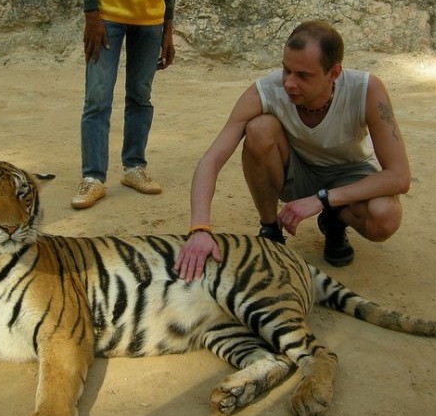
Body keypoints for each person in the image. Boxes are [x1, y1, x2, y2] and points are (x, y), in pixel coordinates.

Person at [174, 20, 411, 281]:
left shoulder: (366, 89)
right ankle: (270, 230)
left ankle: (334, 220)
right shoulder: (265, 90)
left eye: (303, 76)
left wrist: (321, 200)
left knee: (384, 218)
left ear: (334, 73)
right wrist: (199, 228)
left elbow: (399, 177)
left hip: (350, 173)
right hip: (297, 172)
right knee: (260, 128)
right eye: (286, 70)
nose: (289, 83)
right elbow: (212, 159)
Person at [71, 0, 195, 210]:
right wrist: (91, 13)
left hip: (151, 21)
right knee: (97, 96)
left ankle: (134, 168)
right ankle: (94, 178)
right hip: (107, 18)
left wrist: (168, 27)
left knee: (140, 95)